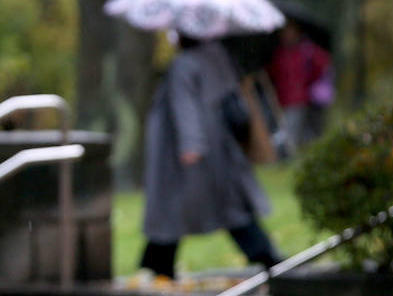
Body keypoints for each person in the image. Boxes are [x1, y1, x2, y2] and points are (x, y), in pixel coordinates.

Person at [139, 34, 283, 280]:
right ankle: (158, 264)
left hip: (191, 153)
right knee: (230, 207)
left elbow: (184, 104)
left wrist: (191, 143)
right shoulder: (218, 57)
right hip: (221, 146)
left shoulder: (183, 63)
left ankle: (158, 266)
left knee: (173, 209)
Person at [266, 20, 333, 149]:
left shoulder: (306, 50)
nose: (286, 35)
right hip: (281, 99)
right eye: (284, 32)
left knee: (291, 133)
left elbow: (322, 65)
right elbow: (273, 73)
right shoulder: (279, 53)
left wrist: (309, 83)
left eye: (289, 32)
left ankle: (291, 156)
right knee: (292, 132)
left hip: (299, 98)